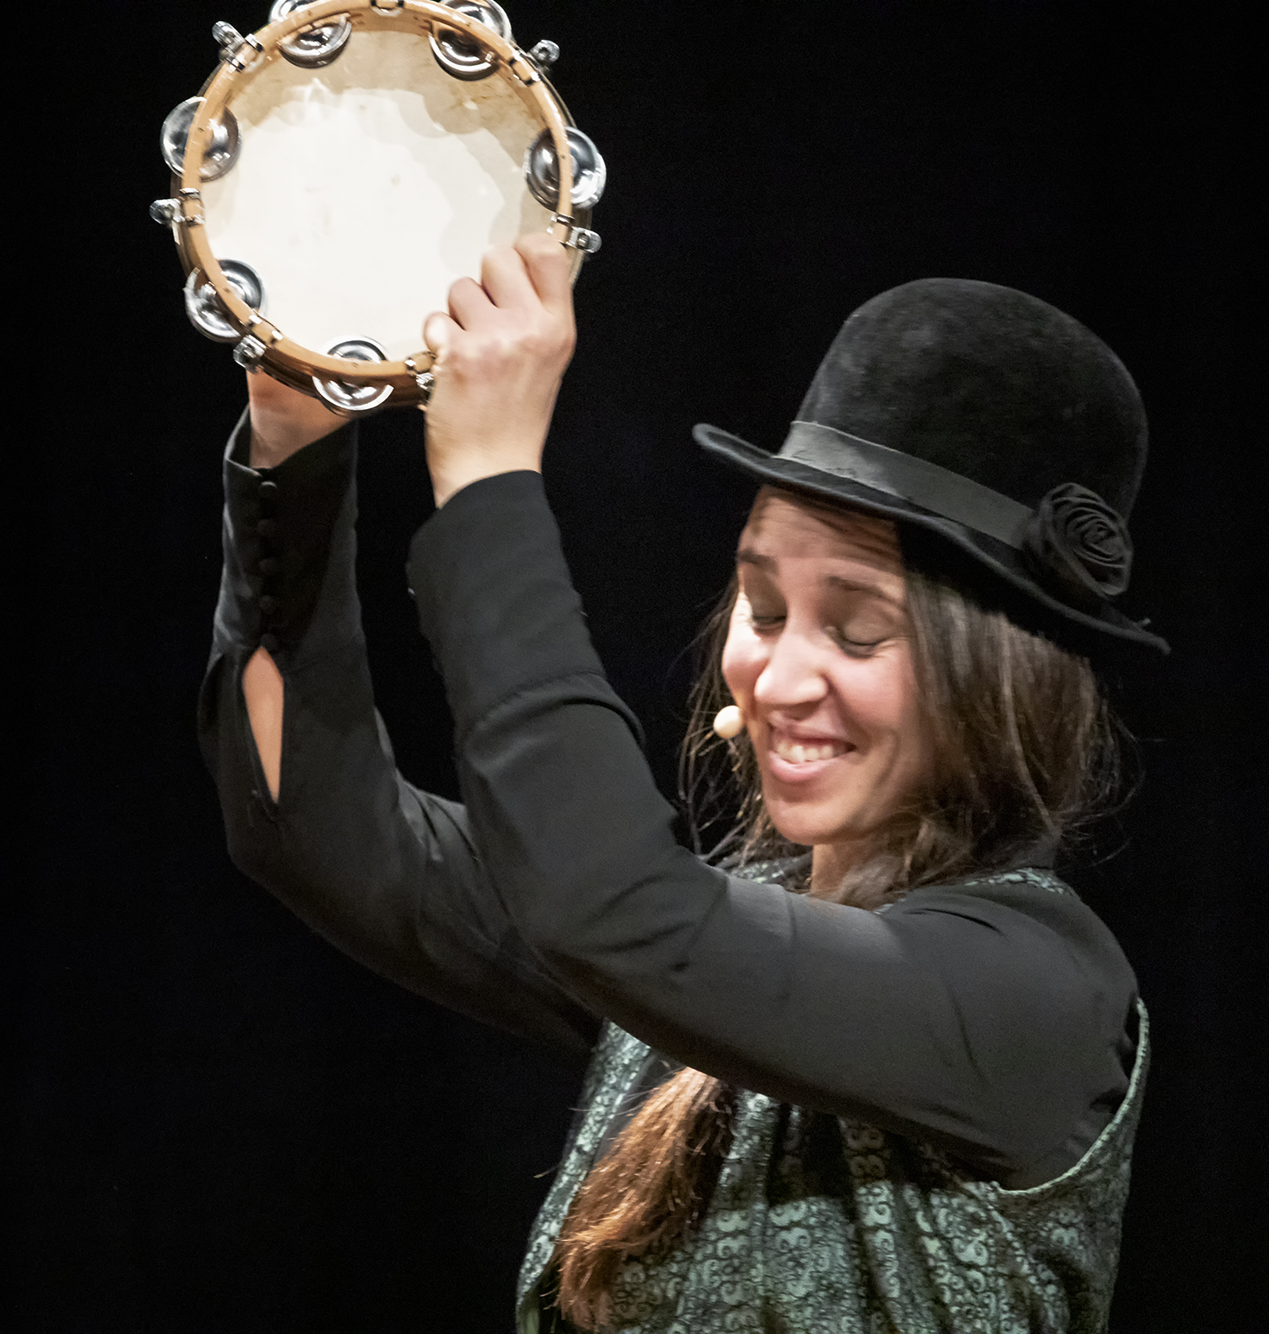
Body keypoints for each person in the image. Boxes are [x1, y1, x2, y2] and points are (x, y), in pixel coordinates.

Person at [198, 233, 1166, 1332]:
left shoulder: (1039, 993)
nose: (778, 678)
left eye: (857, 630)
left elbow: (612, 909)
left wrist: (489, 484)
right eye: (764, 609)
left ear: (1001, 678)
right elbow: (298, 812)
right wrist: (293, 446)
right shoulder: (695, 950)